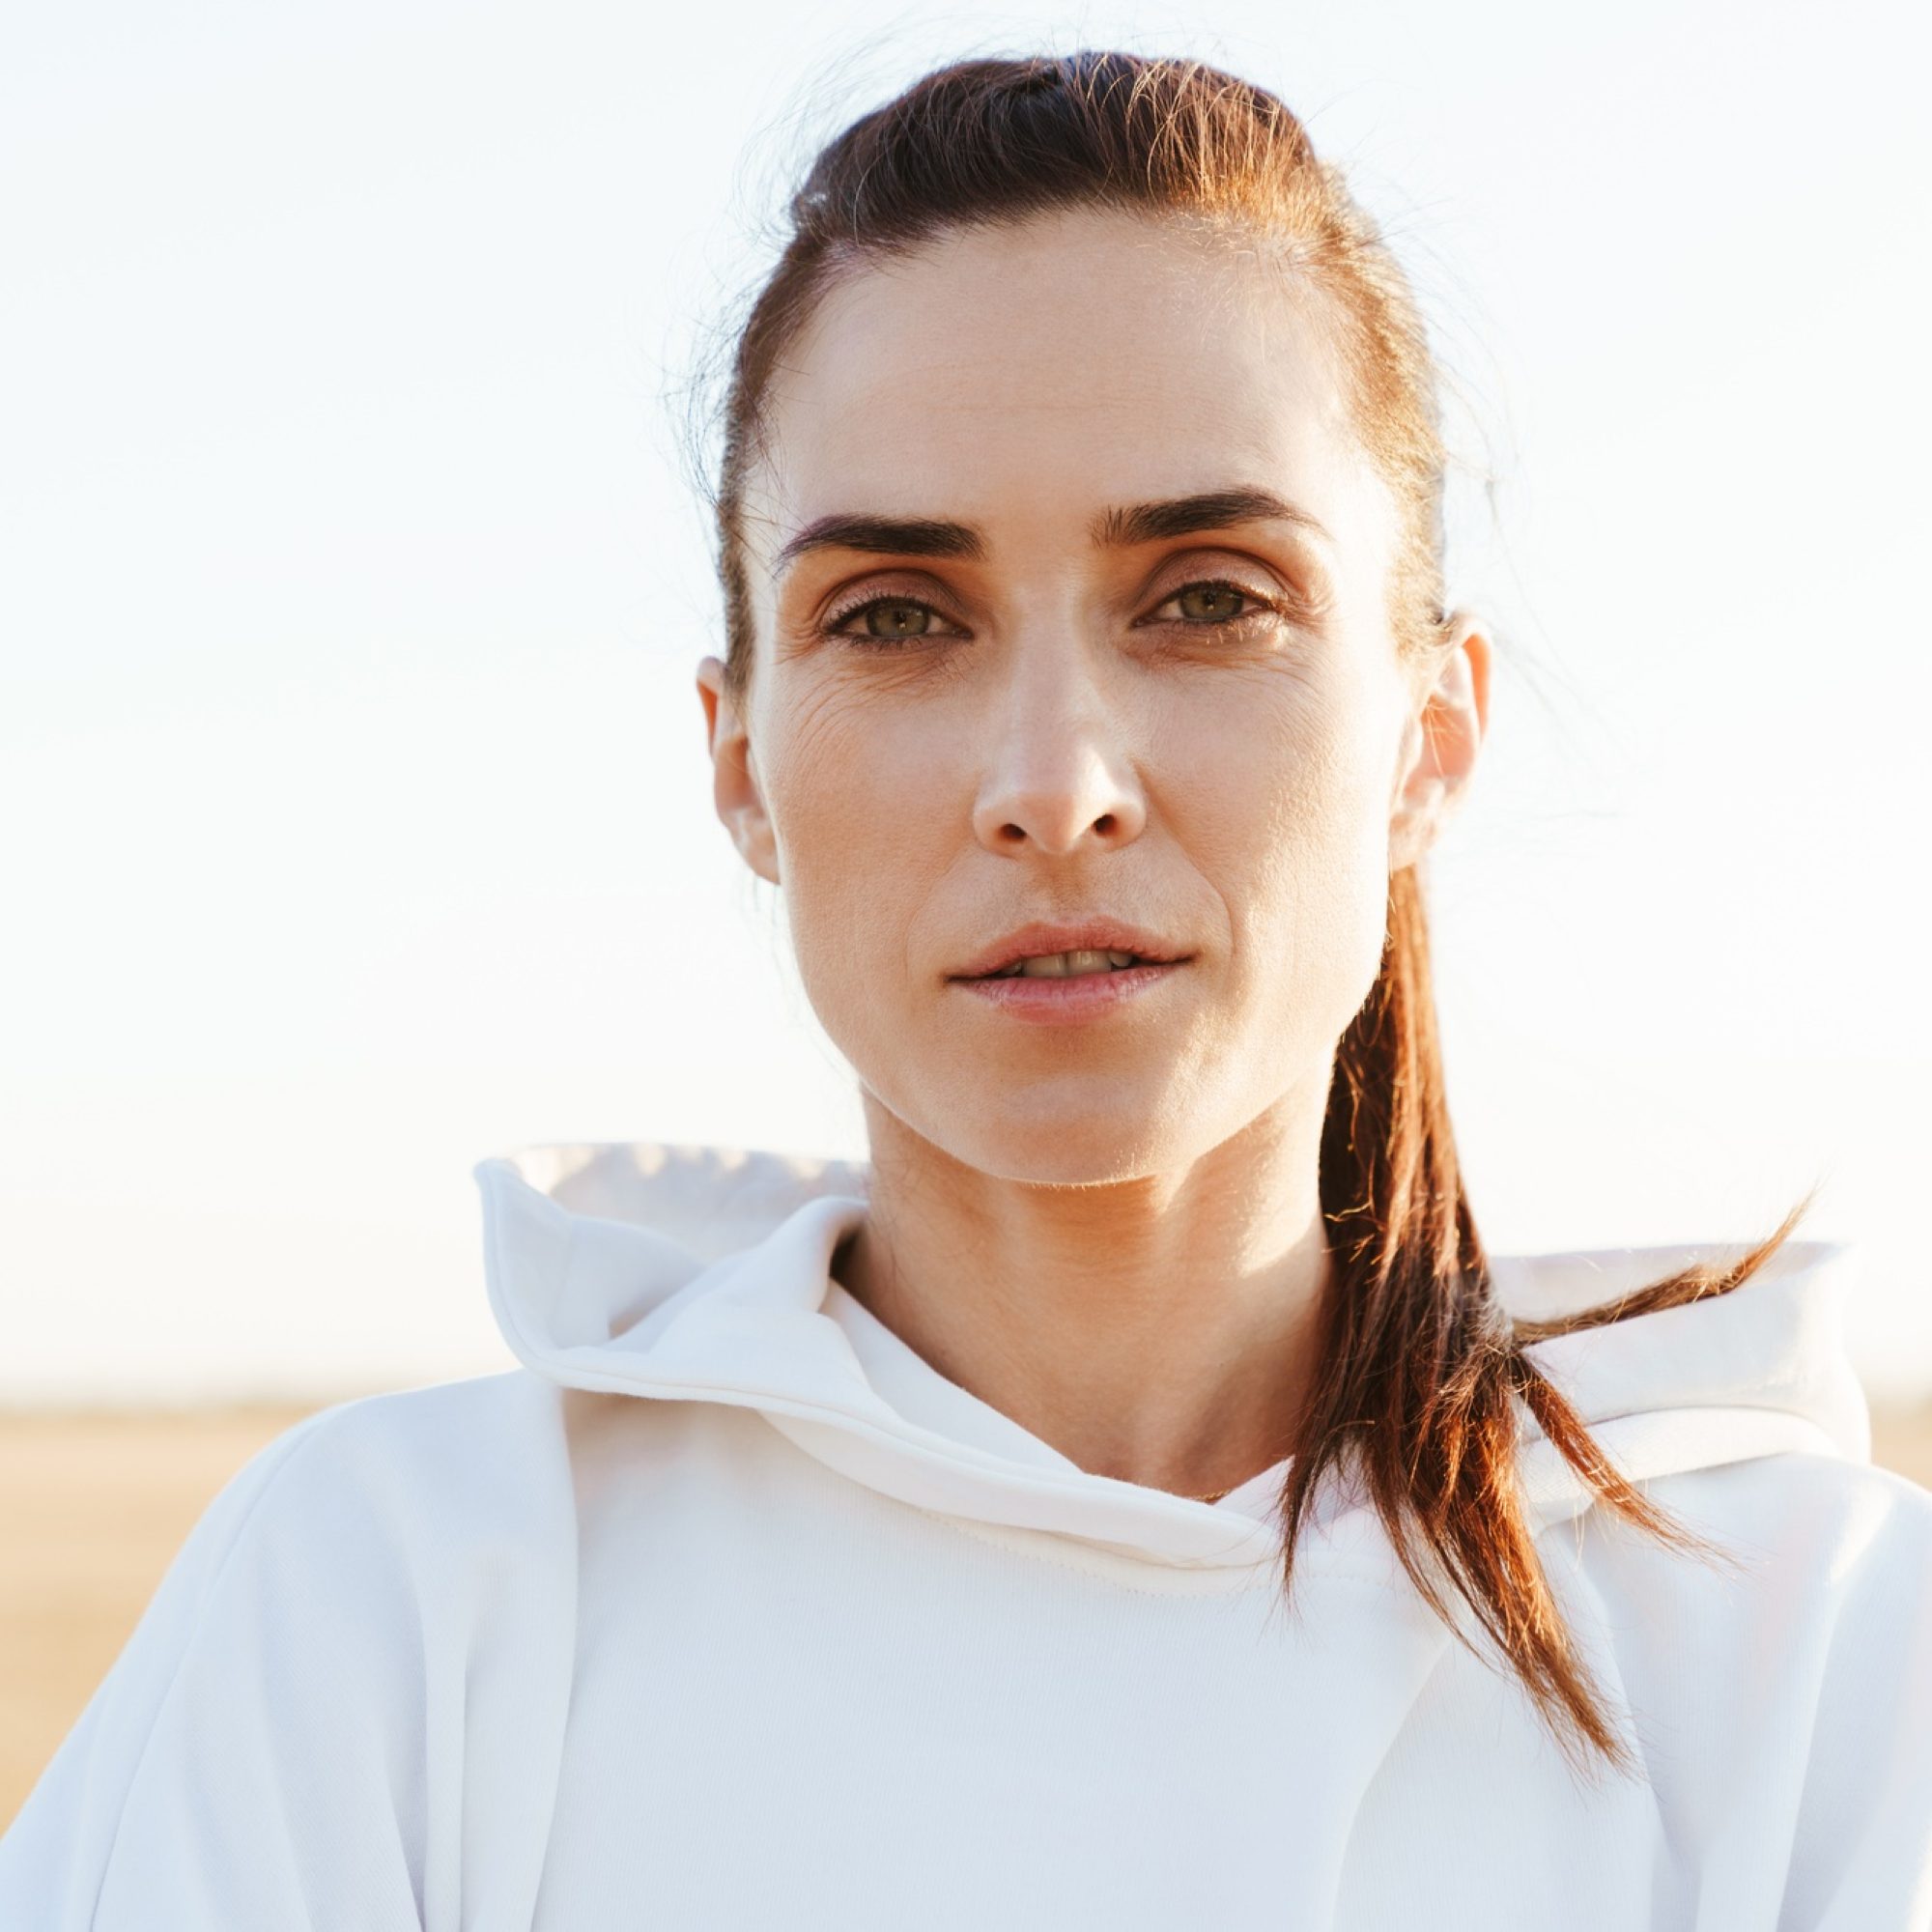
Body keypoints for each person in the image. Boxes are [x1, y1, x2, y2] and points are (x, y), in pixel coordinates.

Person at [4, 48, 1930, 1931]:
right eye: (898, 619)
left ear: (1428, 734)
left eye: (1207, 597)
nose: (1051, 784)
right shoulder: (391, 1606)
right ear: (740, 757)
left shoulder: (1821, 1658)